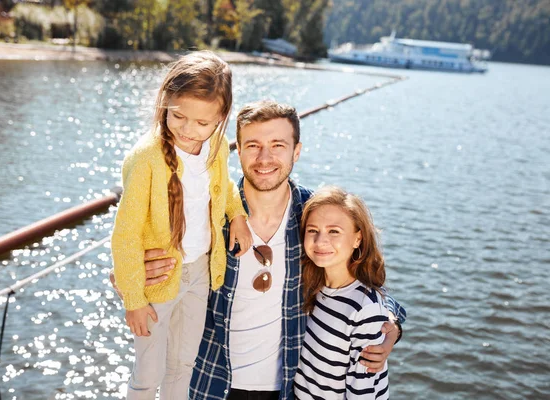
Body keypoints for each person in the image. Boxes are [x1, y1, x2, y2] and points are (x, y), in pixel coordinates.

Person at [132, 100, 406, 399]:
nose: (265, 158)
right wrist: (128, 276)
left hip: (287, 386)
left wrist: (391, 322)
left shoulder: (313, 217)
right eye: (253, 145)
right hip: (210, 381)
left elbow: (360, 280)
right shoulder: (207, 212)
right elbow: (139, 245)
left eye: (277, 145)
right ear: (238, 152)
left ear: (296, 152)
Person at [110, 51, 252, 400]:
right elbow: (125, 233)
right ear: (165, 102)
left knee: (182, 366)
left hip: (199, 273)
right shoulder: (146, 159)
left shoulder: (216, 147)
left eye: (202, 123)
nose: (189, 130)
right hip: (155, 282)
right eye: (178, 116)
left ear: (221, 116)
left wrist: (237, 214)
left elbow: (225, 186)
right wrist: (133, 298)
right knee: (148, 373)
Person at [294, 187, 390, 399]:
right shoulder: (311, 287)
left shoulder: (365, 309)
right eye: (312, 230)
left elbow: (362, 392)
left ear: (358, 238)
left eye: (334, 231)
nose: (320, 241)